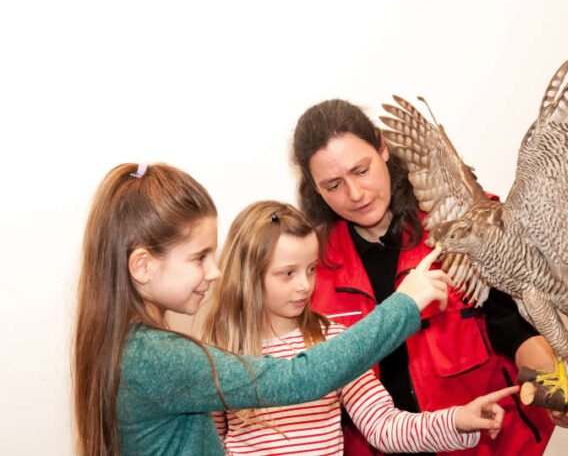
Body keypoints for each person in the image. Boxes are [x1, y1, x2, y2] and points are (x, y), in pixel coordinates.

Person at [291, 99, 568, 456]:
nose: (355, 194)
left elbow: (517, 329)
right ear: (314, 188)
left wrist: (550, 388)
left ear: (382, 147)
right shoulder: (307, 271)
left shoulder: (468, 230)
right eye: (333, 185)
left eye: (361, 170)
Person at [73, 162, 455, 456]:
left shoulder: (135, 349)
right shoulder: (158, 356)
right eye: (200, 257)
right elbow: (295, 379)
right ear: (142, 265)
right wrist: (405, 304)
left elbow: (383, 425)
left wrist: (454, 421)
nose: (214, 271)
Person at [203, 200, 519, 455]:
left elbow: (384, 426)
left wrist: (458, 421)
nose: (305, 285)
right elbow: (206, 444)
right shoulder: (218, 350)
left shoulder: (330, 340)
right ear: (248, 275)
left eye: (311, 269)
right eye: (287, 273)